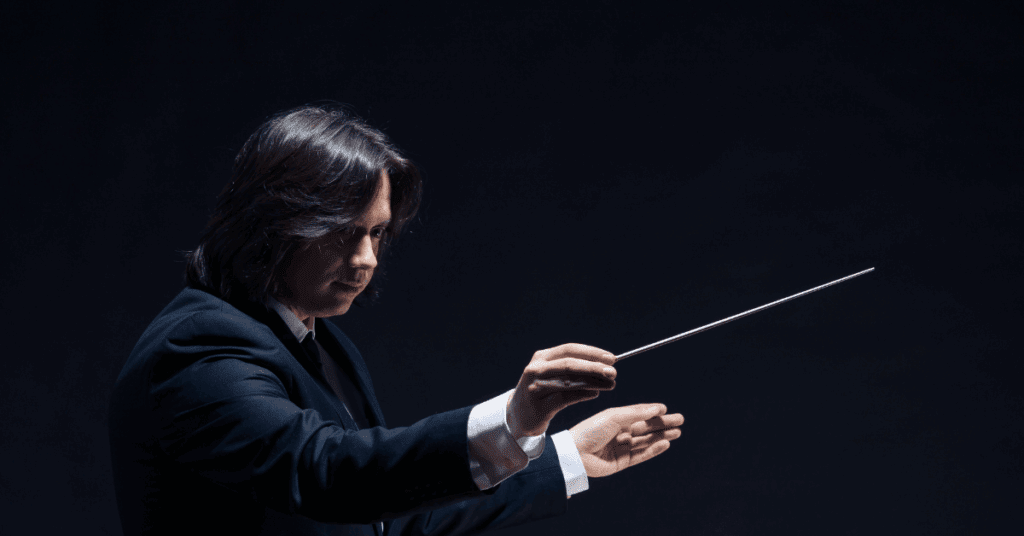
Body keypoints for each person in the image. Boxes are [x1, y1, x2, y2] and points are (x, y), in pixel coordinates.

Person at [109, 104, 684, 535]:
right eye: (342, 233)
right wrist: (513, 418)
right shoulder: (198, 350)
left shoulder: (318, 341)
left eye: (377, 232)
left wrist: (569, 457)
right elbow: (328, 474)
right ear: (271, 225)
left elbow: (385, 518)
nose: (366, 260)